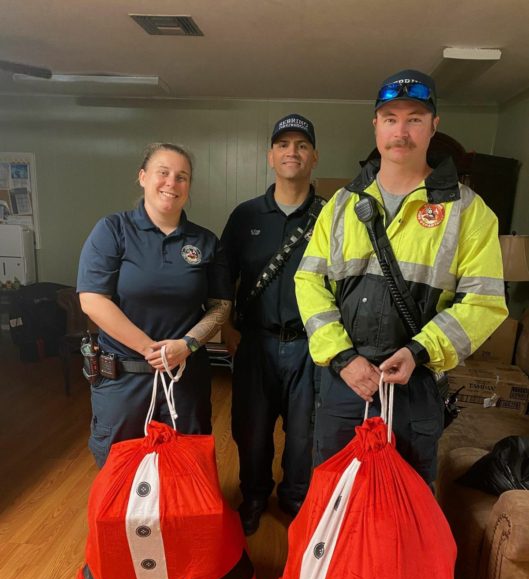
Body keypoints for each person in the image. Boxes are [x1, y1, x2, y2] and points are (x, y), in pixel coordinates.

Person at [295, 69, 508, 484]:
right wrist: (343, 357)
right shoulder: (341, 205)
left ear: (434, 126)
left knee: (405, 505)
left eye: (414, 118)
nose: (401, 130)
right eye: (391, 118)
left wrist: (418, 351)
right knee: (335, 496)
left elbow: (484, 302)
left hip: (415, 386)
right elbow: (308, 282)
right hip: (345, 383)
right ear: (376, 124)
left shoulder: (468, 211)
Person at [77, 142, 232, 467]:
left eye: (182, 177)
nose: (171, 184)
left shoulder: (204, 242)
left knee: (187, 468)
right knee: (121, 469)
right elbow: (93, 300)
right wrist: (153, 350)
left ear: (189, 187)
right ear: (143, 176)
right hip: (123, 381)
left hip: (184, 379)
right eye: (163, 173)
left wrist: (187, 345)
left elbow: (220, 306)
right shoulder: (113, 230)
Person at [221, 114, 323, 535]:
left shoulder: (332, 216)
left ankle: (296, 500)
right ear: (271, 156)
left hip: (311, 347)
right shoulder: (246, 216)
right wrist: (226, 328)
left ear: (314, 157)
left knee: (305, 435)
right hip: (256, 342)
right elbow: (222, 278)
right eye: (283, 145)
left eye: (301, 145)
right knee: (252, 430)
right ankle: (255, 495)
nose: (292, 152)